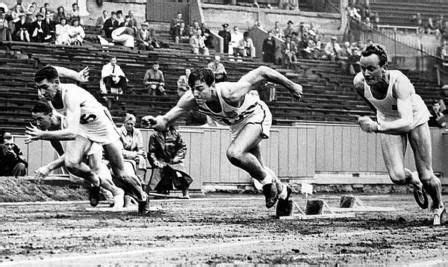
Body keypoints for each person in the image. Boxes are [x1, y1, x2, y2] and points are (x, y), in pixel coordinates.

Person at [142, 66, 303, 214]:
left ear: (212, 85)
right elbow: (167, 119)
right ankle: (283, 193)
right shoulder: (191, 99)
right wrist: (155, 122)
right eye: (192, 89)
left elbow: (262, 71)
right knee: (258, 168)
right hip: (238, 126)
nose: (196, 94)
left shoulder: (230, 93)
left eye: (200, 89)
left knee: (235, 153)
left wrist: (291, 86)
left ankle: (268, 185)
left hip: (256, 115)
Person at [25, 65, 148, 214]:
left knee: (120, 174)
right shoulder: (52, 88)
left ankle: (142, 196)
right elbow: (58, 69)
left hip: (102, 127)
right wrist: (76, 75)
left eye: (44, 88)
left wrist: (42, 135)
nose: (41, 93)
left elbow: (71, 132)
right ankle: (95, 180)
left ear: (56, 83)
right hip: (84, 129)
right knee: (71, 163)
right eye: (38, 88)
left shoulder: (70, 95)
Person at [353, 44, 445, 225]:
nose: (366, 74)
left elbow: (406, 123)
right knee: (397, 177)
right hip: (388, 117)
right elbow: (377, 106)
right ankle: (415, 182)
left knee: (427, 175)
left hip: (413, 118)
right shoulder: (359, 84)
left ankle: (438, 205)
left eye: (371, 68)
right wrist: (381, 121)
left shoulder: (399, 83)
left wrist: (378, 127)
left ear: (384, 67)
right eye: (362, 68)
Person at [30, 101, 125, 208]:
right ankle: (102, 186)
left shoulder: (68, 120)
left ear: (51, 115)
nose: (37, 124)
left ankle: (115, 193)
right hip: (76, 147)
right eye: (35, 120)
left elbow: (102, 109)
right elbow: (60, 149)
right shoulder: (49, 130)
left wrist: (48, 167)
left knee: (98, 171)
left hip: (90, 141)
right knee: (75, 178)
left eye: (40, 119)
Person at [147, 125, 192, 198]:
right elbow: (152, 152)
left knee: (180, 173)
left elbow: (182, 148)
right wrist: (155, 161)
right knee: (158, 172)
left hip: (174, 160)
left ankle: (185, 191)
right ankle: (160, 191)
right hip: (161, 160)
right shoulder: (154, 136)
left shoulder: (176, 134)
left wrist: (176, 158)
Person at [118, 113, 147, 184]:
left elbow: (140, 148)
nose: (130, 126)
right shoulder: (118, 132)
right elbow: (119, 151)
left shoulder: (137, 132)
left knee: (141, 159)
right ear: (124, 123)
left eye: (132, 124)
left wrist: (141, 153)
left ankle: (140, 181)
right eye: (128, 124)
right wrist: (135, 154)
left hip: (135, 156)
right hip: (121, 156)